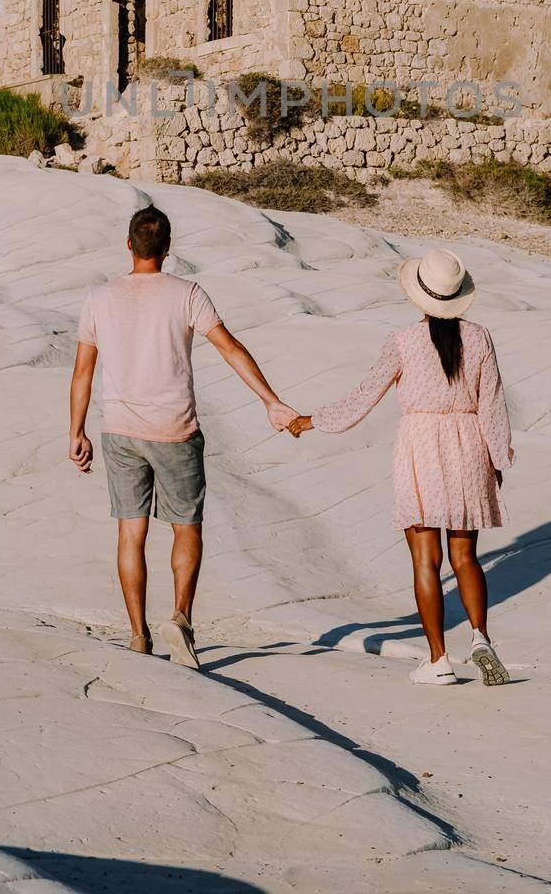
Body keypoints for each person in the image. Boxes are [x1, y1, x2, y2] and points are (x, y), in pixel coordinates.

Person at [68, 204, 298, 668]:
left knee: (130, 533)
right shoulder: (188, 293)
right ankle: (180, 618)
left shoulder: (99, 298)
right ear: (168, 249)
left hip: (119, 432)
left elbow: (81, 373)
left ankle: (137, 635)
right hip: (175, 430)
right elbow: (230, 348)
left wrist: (76, 432)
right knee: (185, 527)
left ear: (129, 245)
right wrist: (272, 402)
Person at [288, 247, 514, 687]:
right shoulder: (481, 337)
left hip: (421, 449)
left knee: (425, 560)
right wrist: (498, 458)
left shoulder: (404, 341)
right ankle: (481, 637)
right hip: (469, 446)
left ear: (420, 296)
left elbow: (365, 394)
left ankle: (438, 660)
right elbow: (493, 404)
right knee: (465, 556)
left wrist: (313, 419)